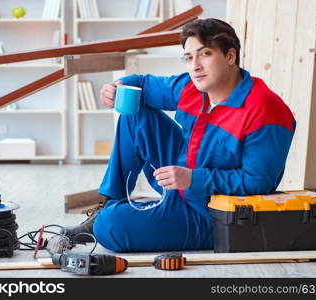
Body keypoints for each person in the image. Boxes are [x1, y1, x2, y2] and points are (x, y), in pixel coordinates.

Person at [61, 18, 296, 252]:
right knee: (134, 112)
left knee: (111, 226)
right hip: (180, 179)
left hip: (212, 213)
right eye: (189, 57)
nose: (195, 66)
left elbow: (258, 182)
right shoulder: (192, 87)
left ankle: (123, 217)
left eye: (205, 54)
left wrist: (194, 179)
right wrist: (115, 88)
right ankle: (110, 204)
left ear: (230, 57)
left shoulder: (266, 109)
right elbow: (142, 84)